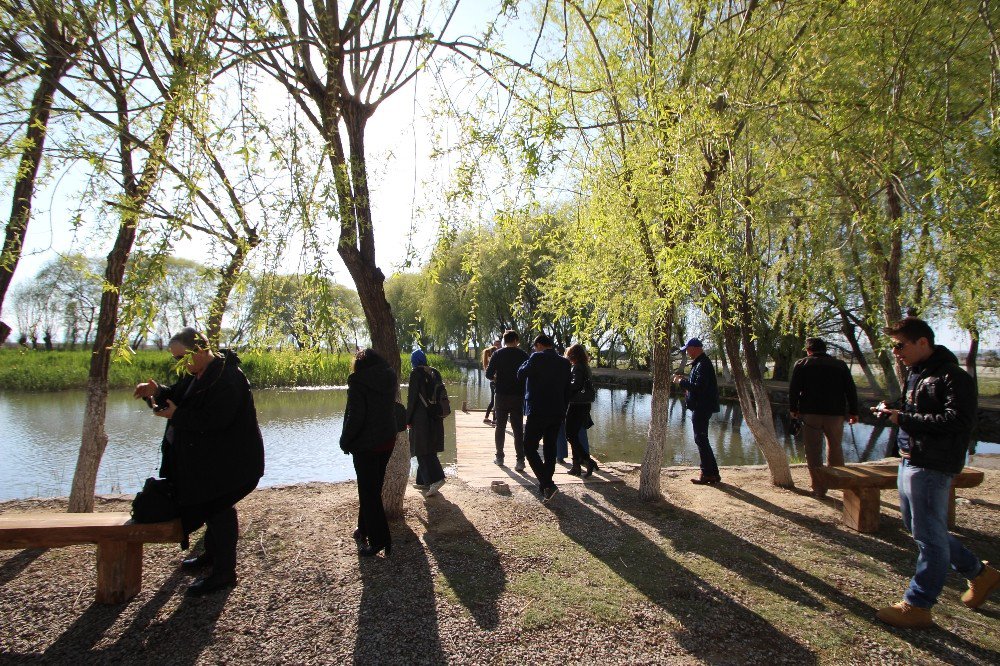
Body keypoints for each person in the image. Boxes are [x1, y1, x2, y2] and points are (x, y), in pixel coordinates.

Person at [874, 317, 998, 628]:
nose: (896, 352)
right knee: (919, 528)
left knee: (929, 536)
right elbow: (916, 410)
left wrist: (904, 420)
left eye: (900, 345)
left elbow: (957, 421)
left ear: (923, 342)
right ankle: (980, 574)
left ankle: (918, 604)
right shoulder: (918, 375)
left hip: (933, 464)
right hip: (910, 458)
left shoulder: (954, 377)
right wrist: (893, 408)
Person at [133, 327, 265, 596]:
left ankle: (224, 574)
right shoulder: (198, 373)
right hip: (214, 461)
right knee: (211, 508)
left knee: (219, 508)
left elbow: (216, 420)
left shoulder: (227, 377)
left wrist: (177, 416)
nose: (180, 363)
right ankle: (212, 557)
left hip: (235, 461)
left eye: (183, 357)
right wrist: (157, 391)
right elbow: (179, 397)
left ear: (201, 350)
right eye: (175, 359)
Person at [340, 348, 398, 558]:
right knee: (373, 488)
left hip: (366, 444)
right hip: (387, 440)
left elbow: (355, 417)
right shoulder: (389, 377)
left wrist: (345, 441)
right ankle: (363, 528)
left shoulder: (358, 382)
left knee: (368, 491)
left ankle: (380, 540)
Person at [788, 337, 860, 497]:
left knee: (813, 450)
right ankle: (838, 482)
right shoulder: (840, 365)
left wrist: (793, 409)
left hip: (810, 413)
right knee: (835, 447)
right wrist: (854, 411)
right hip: (835, 413)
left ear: (808, 350)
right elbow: (850, 389)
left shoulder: (802, 364)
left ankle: (818, 487)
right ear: (825, 349)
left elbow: (794, 389)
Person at [517, 333, 571, 500]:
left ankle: (547, 483)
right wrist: (564, 409)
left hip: (538, 410)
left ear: (539, 345)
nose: (534, 349)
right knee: (550, 447)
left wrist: (529, 360)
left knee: (529, 446)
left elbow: (520, 374)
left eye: (535, 347)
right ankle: (547, 484)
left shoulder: (536, 358)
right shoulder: (565, 362)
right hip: (557, 411)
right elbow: (567, 390)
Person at [672, 338, 721, 485]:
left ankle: (707, 474)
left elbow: (698, 387)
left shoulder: (703, 364)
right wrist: (686, 381)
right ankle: (713, 473)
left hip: (702, 407)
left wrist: (680, 382)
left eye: (687, 349)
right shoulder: (700, 363)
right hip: (701, 406)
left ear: (694, 348)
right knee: (702, 439)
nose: (687, 352)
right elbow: (698, 385)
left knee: (701, 439)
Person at [485, 330, 529, 470]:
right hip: (518, 395)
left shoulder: (498, 354)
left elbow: (488, 374)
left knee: (500, 427)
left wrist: (497, 379)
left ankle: (499, 458)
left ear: (504, 340)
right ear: (516, 340)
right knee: (517, 429)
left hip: (501, 395)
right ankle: (520, 461)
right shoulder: (523, 354)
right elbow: (528, 374)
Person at [407, 349, 447, 497]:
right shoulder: (434, 372)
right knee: (430, 446)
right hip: (435, 416)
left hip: (421, 418)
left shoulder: (415, 374)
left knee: (422, 450)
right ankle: (423, 481)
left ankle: (436, 479)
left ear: (414, 361)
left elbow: (412, 400)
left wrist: (407, 419)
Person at [565, 343, 599, 478]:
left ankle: (587, 460)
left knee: (570, 434)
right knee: (574, 434)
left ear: (573, 355)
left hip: (576, 404)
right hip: (584, 403)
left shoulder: (577, 367)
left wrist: (565, 385)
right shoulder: (585, 366)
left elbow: (576, 385)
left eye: (569, 355)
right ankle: (576, 466)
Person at [481, 341, 500, 425]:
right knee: (496, 401)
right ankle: (494, 419)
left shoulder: (487, 360)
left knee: (492, 401)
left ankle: (486, 417)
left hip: (491, 382)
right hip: (495, 382)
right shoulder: (493, 361)